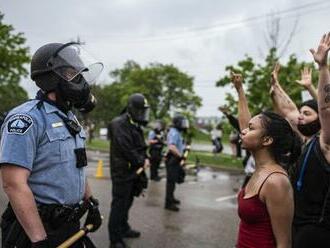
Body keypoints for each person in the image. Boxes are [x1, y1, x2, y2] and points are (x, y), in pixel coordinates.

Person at [0, 42, 103, 247]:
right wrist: (39, 239)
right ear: (51, 76)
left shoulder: (70, 118)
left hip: (69, 225)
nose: (80, 80)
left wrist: (91, 203)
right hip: (34, 228)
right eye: (72, 74)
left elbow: (77, 165)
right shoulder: (26, 119)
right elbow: (13, 184)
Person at [270, 33, 330, 248]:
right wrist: (276, 88)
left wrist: (323, 68)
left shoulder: (326, 143)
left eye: (307, 113)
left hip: (317, 236)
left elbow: (326, 109)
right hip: (295, 227)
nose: (301, 117)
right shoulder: (306, 139)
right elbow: (288, 110)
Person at [231, 72, 300, 248]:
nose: (244, 131)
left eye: (251, 129)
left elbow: (284, 243)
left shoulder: (276, 182)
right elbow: (245, 124)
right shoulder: (260, 168)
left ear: (267, 140)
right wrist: (240, 90)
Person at [108, 93, 150, 248]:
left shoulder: (133, 124)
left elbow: (140, 146)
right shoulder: (118, 124)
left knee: (128, 201)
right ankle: (115, 239)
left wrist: (145, 158)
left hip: (133, 172)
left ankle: (123, 228)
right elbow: (126, 148)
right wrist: (141, 160)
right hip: (122, 172)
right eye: (140, 110)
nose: (142, 114)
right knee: (119, 204)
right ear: (132, 109)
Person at [165, 114, 189, 212]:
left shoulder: (176, 132)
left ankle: (172, 198)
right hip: (173, 159)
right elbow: (171, 147)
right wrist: (181, 156)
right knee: (171, 182)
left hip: (175, 159)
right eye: (182, 123)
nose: (184, 125)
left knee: (174, 180)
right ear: (178, 123)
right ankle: (168, 203)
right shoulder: (174, 132)